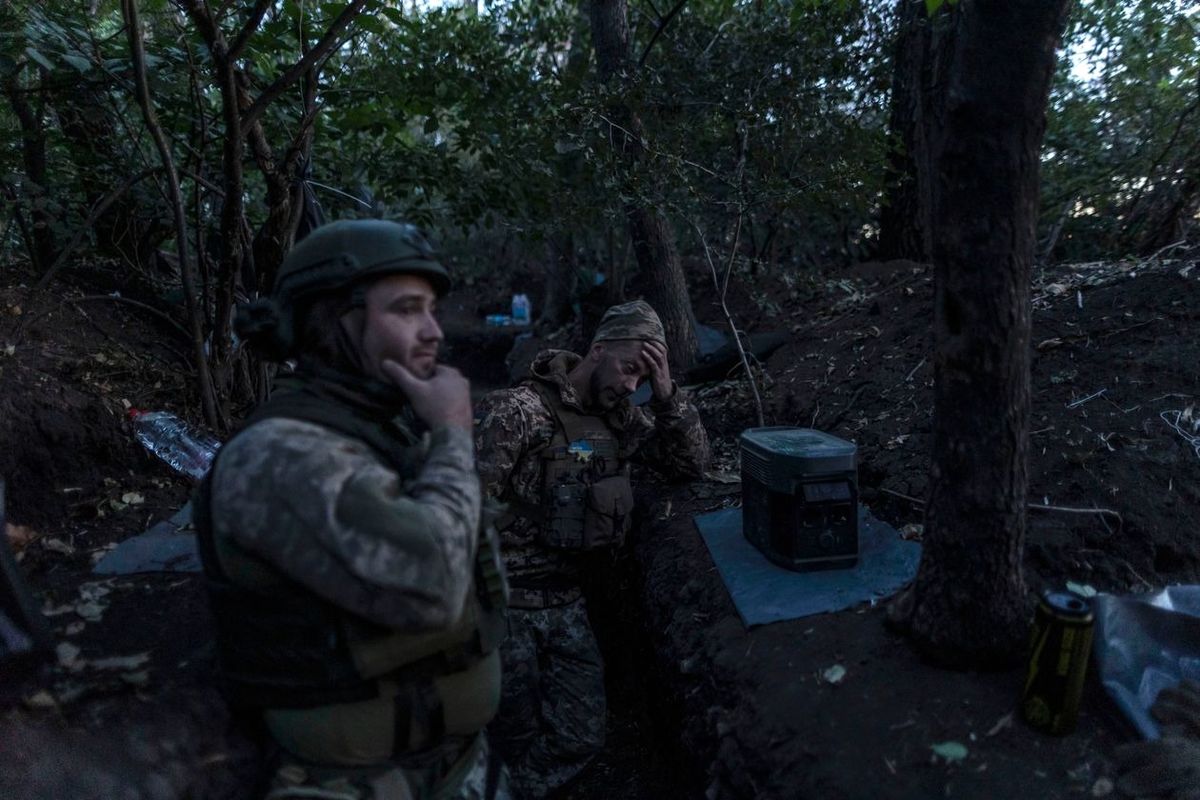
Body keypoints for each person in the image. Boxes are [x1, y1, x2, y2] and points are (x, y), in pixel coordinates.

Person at [193, 219, 511, 800]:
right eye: (407, 310)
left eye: (432, 309)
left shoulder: (377, 431)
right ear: (331, 323)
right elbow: (433, 586)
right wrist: (453, 435)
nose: (434, 331)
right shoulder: (281, 454)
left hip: (456, 770)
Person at [474, 300, 710, 797]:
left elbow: (689, 466)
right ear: (598, 350)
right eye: (628, 369)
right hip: (507, 608)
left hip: (570, 606)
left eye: (641, 380)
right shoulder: (516, 412)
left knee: (582, 736)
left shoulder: (620, 419)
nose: (630, 386)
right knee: (510, 735)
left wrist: (666, 396)